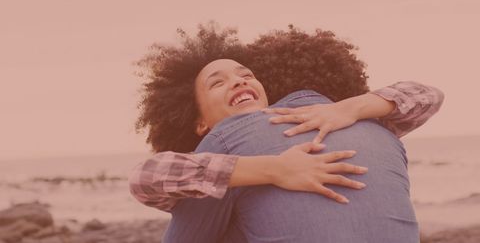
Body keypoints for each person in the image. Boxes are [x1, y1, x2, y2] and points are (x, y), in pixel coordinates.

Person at [129, 25, 444, 242]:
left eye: (246, 75)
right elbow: (147, 176)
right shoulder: (377, 130)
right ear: (198, 122)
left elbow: (428, 94)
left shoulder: (329, 120)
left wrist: (348, 109)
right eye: (218, 82)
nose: (238, 82)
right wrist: (276, 169)